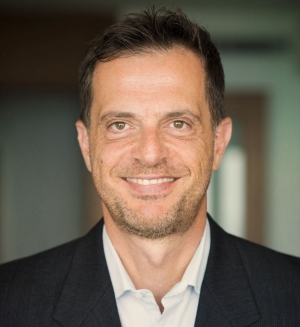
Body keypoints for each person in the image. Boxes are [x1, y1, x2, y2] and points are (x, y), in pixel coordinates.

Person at [0, 7, 299, 327]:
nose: (151, 153)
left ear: (218, 142)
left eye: (179, 123)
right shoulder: (9, 300)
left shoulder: (292, 296)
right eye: (120, 125)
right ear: (86, 145)